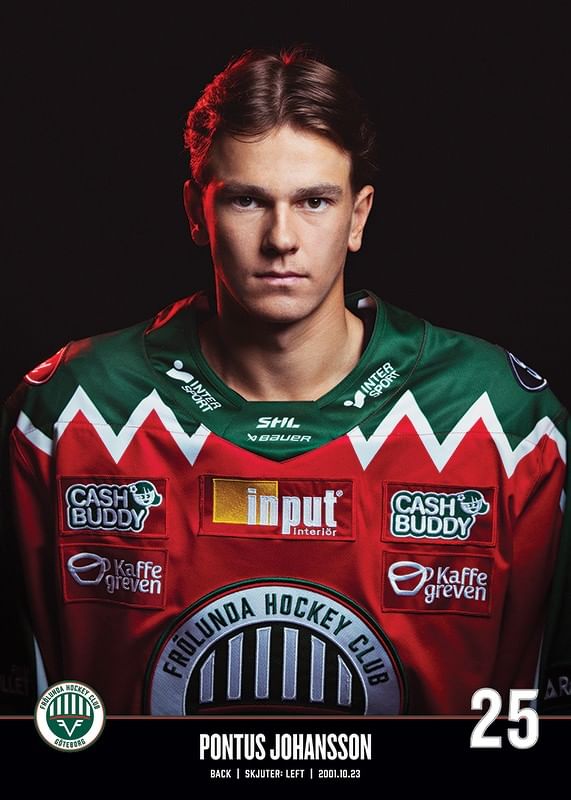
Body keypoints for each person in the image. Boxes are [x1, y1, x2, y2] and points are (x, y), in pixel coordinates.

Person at [1, 48, 569, 716]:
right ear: (196, 212)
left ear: (358, 216)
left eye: (314, 202)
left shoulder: (505, 425)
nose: (280, 239)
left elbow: (539, 726)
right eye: (246, 200)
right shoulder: (67, 414)